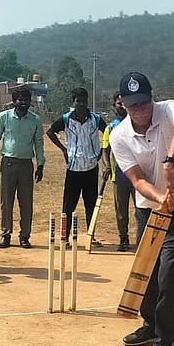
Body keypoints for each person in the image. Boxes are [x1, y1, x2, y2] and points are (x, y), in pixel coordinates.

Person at [108, 71, 174, 346]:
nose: (140, 110)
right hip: (150, 209)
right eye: (133, 105)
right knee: (147, 273)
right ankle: (150, 324)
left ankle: (163, 343)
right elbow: (136, 180)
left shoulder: (168, 109)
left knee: (170, 276)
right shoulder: (119, 136)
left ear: (152, 98)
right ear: (123, 104)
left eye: (144, 103)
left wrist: (170, 161)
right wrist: (161, 197)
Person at [47, 87, 108, 247]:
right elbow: (50, 132)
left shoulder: (96, 119)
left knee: (91, 204)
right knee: (68, 205)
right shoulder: (66, 119)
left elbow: (108, 133)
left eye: (84, 101)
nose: (81, 104)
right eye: (78, 101)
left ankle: (90, 237)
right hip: (73, 168)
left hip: (91, 168)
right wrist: (63, 149)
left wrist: (102, 151)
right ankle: (65, 238)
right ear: (73, 102)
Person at [0, 87, 44, 249]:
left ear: (30, 102)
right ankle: (5, 235)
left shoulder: (35, 120)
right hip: (8, 163)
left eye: (26, 100)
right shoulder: (4, 117)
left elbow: (39, 143)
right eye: (20, 100)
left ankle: (24, 236)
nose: (23, 103)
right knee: (6, 201)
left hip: (26, 164)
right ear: (14, 101)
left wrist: (40, 164)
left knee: (26, 202)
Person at [103, 94, 133, 251]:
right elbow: (105, 150)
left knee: (142, 209)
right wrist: (107, 166)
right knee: (121, 211)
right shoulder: (110, 128)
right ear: (114, 105)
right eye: (119, 103)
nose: (122, 106)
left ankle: (143, 239)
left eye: (124, 103)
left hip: (138, 176)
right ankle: (123, 238)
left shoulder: (137, 124)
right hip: (119, 175)